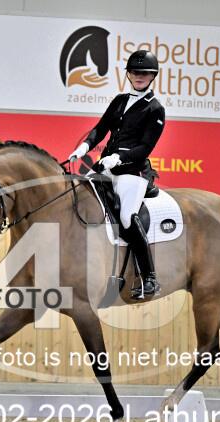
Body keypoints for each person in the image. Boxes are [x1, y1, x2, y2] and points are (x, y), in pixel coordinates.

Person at [70, 50, 165, 300]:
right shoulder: (120, 100)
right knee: (79, 197)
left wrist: (119, 158)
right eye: (134, 72)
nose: (139, 76)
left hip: (132, 171)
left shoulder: (155, 109)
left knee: (126, 217)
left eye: (144, 73)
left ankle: (149, 277)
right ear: (128, 75)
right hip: (106, 167)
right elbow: (101, 128)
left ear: (152, 76)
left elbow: (145, 147)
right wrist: (84, 147)